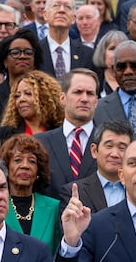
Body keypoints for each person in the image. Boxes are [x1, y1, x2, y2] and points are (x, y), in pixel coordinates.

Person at [36, 68, 99, 199]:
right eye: (78, 92)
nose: (84, 99)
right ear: (62, 98)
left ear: (96, 102)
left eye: (90, 93)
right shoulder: (39, 143)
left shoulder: (108, 144)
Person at [59, 120, 132, 212]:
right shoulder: (74, 192)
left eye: (122, 148)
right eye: (109, 146)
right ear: (94, 151)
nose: (114, 154)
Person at [0, 28, 42, 126]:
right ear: (5, 62)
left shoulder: (45, 95)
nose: (22, 56)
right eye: (15, 52)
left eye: (28, 53)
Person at [38, 0, 94, 82]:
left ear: (73, 18)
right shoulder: (35, 51)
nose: (62, 10)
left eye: (67, 7)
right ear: (45, 15)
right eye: (56, 5)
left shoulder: (87, 54)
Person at [0, 70, 63, 141]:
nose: (21, 99)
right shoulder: (3, 135)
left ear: (44, 97)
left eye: (28, 93)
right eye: (17, 96)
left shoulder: (61, 132)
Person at [91, 29, 127, 97]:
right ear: (103, 53)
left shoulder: (134, 80)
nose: (117, 53)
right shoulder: (93, 81)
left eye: (121, 48)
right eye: (112, 48)